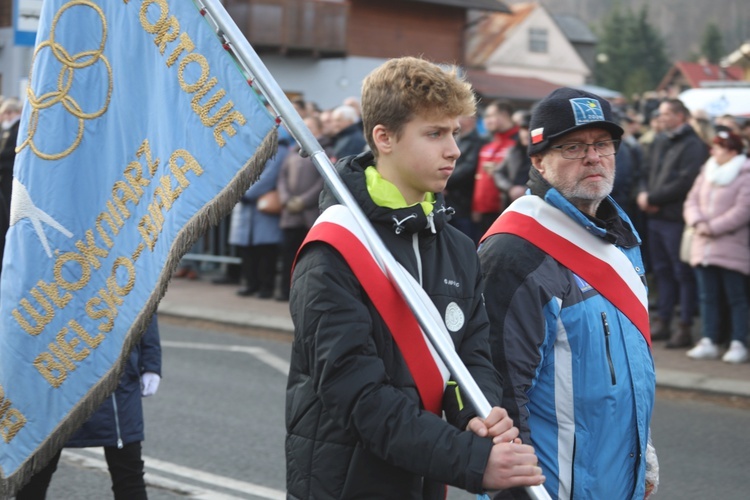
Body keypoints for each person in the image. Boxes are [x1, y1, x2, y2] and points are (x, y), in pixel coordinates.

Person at [286, 56, 544, 499]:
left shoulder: (458, 247)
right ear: (384, 138)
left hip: (424, 479)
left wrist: (476, 413)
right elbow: (358, 397)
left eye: (455, 133)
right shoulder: (334, 249)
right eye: (434, 134)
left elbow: (469, 356)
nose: (454, 151)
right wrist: (471, 461)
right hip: (346, 483)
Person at [478, 87, 658, 499]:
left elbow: (627, 367)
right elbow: (500, 393)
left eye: (602, 144)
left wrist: (642, 450)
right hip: (552, 488)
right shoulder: (514, 251)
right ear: (539, 161)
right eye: (573, 147)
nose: (593, 157)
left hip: (618, 480)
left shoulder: (621, 237)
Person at [17, 316, 162, 499]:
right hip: (52, 373)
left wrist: (152, 362)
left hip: (116, 378)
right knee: (35, 474)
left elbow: (145, 302)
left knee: (128, 473)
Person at [637, 99, 708, 347]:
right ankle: (664, 320)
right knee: (662, 271)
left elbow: (686, 182)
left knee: (682, 274)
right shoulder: (660, 141)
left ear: (680, 116)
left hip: (675, 219)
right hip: (655, 217)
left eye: (666, 113)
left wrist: (654, 198)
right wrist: (644, 194)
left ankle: (685, 325)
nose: (661, 117)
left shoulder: (693, 145)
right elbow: (645, 171)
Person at [684, 130, 750, 364]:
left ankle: (738, 342)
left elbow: (743, 210)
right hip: (704, 246)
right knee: (707, 296)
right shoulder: (708, 170)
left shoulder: (745, 173)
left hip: (732, 246)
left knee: (736, 297)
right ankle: (709, 339)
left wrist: (712, 227)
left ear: (732, 151)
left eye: (719, 148)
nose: (713, 152)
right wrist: (698, 222)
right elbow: (691, 200)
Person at [231, 126, 292, 298]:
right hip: (248, 205)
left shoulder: (279, 148)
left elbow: (269, 176)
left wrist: (246, 193)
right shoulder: (251, 146)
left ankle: (266, 286)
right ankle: (251, 283)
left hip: (263, 203)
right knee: (248, 248)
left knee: (265, 249)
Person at [275, 115, 328, 301]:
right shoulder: (293, 151)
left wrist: (303, 201)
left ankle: (303, 295)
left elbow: (323, 180)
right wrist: (287, 198)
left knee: (307, 259)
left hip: (310, 213)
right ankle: (285, 291)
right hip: (291, 213)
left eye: (310, 126)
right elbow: (282, 177)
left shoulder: (324, 150)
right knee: (288, 253)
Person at [472, 100, 518, 239]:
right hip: (483, 215)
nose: (486, 121)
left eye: (490, 116)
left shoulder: (518, 144)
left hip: (507, 212)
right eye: (485, 117)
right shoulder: (487, 145)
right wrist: (476, 207)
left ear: (504, 115)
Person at [444, 114, 486, 240]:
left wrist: (445, 182)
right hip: (450, 199)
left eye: (461, 116)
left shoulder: (478, 142)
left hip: (465, 201)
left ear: (471, 119)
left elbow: (468, 169)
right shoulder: (456, 139)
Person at [492, 110, 532, 209]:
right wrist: (510, 188)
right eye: (523, 129)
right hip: (509, 204)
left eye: (529, 129)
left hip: (531, 204)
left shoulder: (542, 154)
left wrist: (525, 190)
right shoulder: (513, 151)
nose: (526, 133)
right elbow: (498, 172)